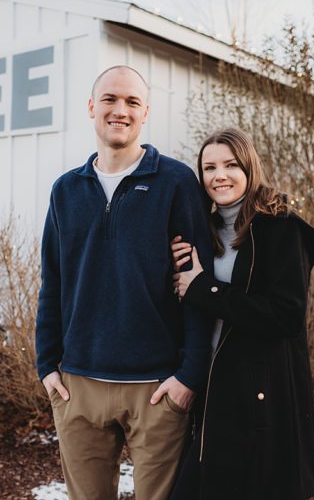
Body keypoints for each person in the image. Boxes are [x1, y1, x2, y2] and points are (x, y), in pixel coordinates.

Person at [35, 65, 214, 500]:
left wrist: (189, 376)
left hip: (157, 387)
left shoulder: (175, 182)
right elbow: (52, 281)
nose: (121, 110)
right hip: (78, 385)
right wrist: (46, 365)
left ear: (145, 112)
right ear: (91, 107)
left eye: (132, 101)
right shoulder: (66, 190)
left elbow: (198, 284)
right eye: (110, 99)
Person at [168, 128, 314, 500]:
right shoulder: (204, 230)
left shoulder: (280, 227)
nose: (219, 176)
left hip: (260, 393)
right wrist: (175, 271)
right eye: (209, 168)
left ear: (249, 168)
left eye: (230, 165)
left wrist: (204, 289)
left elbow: (286, 316)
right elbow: (186, 300)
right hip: (210, 385)